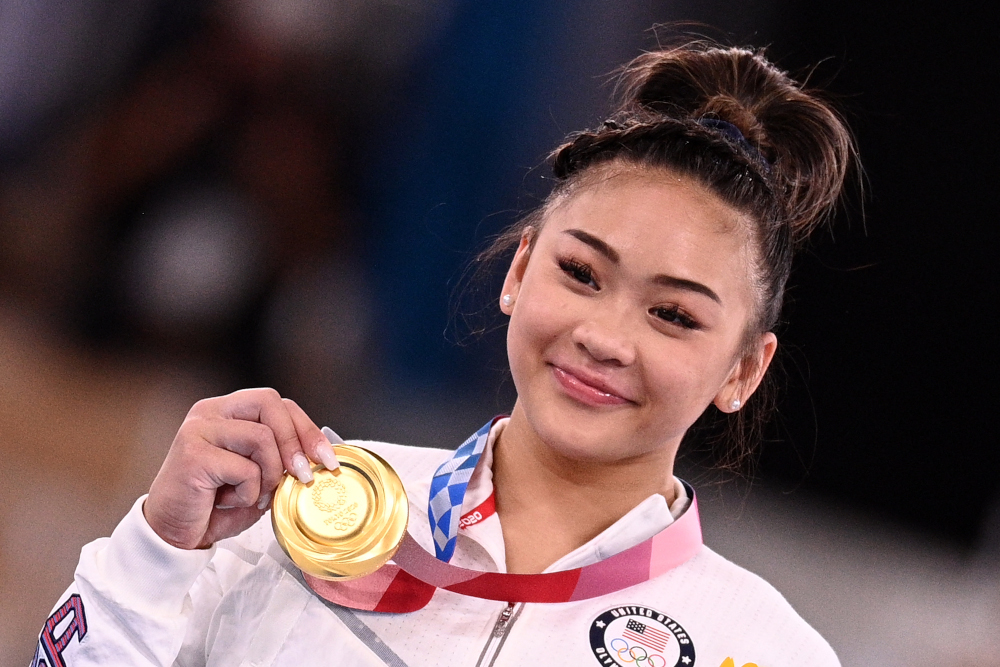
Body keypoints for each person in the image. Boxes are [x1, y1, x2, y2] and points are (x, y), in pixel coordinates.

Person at [34, 38, 854, 667]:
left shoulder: (763, 648)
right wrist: (158, 550)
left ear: (744, 369)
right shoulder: (292, 514)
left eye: (673, 314)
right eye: (580, 272)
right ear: (520, 270)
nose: (605, 337)